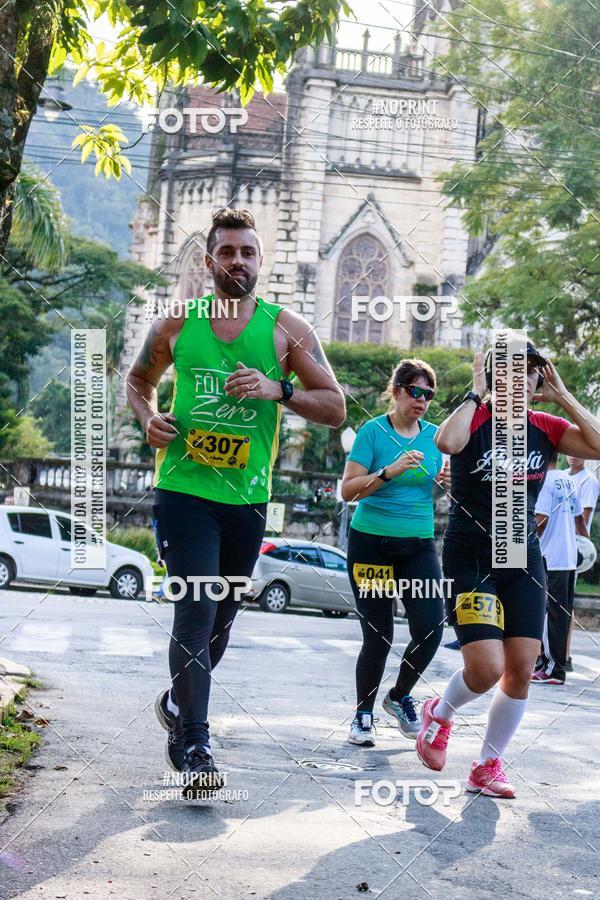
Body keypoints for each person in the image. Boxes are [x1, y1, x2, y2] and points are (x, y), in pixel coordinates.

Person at [126, 208, 345, 798]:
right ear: (209, 261)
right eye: (227, 252)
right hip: (184, 490)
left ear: (260, 260)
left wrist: (280, 388)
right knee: (196, 607)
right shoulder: (178, 322)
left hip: (247, 499)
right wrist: (148, 417)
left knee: (221, 618)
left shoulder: (286, 330)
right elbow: (138, 381)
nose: (238, 261)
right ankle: (196, 745)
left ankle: (178, 704)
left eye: (248, 252)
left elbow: (335, 407)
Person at [416, 342, 600, 799]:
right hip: (472, 556)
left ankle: (486, 765)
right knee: (485, 669)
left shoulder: (546, 426)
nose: (521, 379)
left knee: (520, 669)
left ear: (540, 381)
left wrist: (563, 396)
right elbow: (447, 443)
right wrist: (475, 392)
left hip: (522, 554)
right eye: (510, 370)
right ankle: (440, 713)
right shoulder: (475, 417)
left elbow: (598, 445)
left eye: (530, 372)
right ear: (494, 376)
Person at [341, 359, 450, 747]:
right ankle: (363, 715)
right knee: (379, 635)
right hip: (371, 545)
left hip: (417, 545)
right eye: (415, 392)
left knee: (431, 628)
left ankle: (400, 696)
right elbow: (348, 491)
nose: (422, 400)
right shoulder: (373, 432)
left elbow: (429, 491)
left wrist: (443, 484)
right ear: (397, 391)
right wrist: (388, 471)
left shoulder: (436, 437)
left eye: (428, 395)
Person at [532, 452, 588, 685]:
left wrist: (522, 544)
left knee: (549, 614)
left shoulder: (545, 480)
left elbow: (541, 520)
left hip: (550, 556)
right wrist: (585, 546)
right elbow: (579, 520)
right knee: (560, 614)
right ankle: (552, 665)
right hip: (568, 557)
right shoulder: (568, 480)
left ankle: (552, 669)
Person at [564, 456, 600, 666]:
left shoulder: (588, 481)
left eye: (576, 452)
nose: (573, 456)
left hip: (573, 548)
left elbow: (582, 521)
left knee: (564, 603)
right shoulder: (563, 476)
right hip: (556, 546)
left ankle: (564, 654)